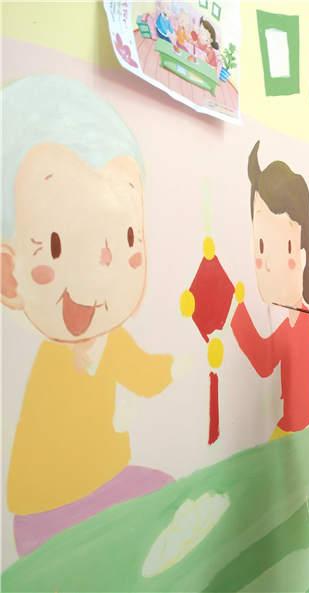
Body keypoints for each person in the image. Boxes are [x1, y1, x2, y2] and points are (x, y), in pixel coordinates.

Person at [1, 75, 176, 555]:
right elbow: (142, 378)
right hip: (46, 512)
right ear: (10, 277)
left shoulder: (110, 341)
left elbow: (146, 375)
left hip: (103, 484)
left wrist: (181, 361)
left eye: (127, 240)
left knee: (166, 494)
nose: (103, 265)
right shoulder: (57, 356)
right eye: (58, 246)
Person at [231, 141, 309, 439]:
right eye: (261, 246)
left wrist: (236, 314)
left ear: (302, 253)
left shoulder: (296, 320)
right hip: (295, 423)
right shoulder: (297, 317)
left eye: (285, 247)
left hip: (294, 425)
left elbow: (263, 361)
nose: (269, 263)